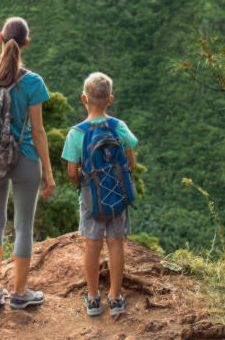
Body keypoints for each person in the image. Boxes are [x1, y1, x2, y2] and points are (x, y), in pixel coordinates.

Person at [0, 17, 56, 309]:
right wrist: (48, 171)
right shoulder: (34, 82)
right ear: (27, 44)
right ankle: (20, 294)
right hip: (26, 160)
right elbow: (38, 130)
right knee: (23, 226)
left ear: (0, 38)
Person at [61, 72, 137, 317]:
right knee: (116, 244)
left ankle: (93, 299)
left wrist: (83, 181)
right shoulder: (119, 127)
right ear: (110, 99)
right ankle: (115, 297)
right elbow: (131, 164)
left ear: (84, 99)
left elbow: (72, 171)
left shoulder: (76, 133)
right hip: (117, 197)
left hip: (91, 199)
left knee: (92, 246)